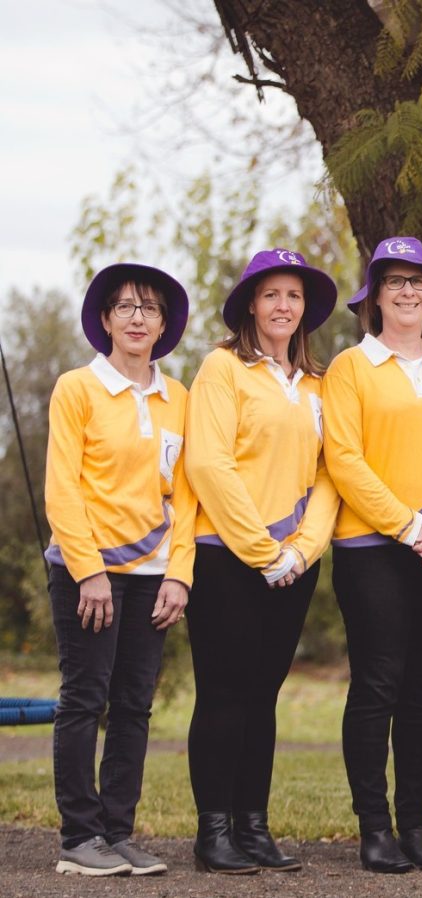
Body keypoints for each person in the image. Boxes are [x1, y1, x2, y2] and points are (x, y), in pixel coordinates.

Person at [323, 237, 422, 874]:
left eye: (420, 282)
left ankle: (417, 826)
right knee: (376, 686)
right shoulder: (349, 368)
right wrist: (409, 526)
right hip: (372, 549)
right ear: (375, 296)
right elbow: (344, 459)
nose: (409, 292)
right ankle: (375, 829)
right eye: (396, 282)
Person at [184, 248, 340, 874]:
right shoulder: (222, 369)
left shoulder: (316, 384)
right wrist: (262, 551)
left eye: (294, 296)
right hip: (227, 557)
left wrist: (302, 550)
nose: (283, 306)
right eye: (271, 294)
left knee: (263, 696)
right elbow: (208, 464)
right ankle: (213, 831)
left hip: (295, 565)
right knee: (224, 693)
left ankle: (253, 826)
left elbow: (330, 473)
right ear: (251, 303)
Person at [44, 263, 193, 876]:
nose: (138, 317)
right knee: (85, 699)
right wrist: (89, 571)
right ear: (105, 320)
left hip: (155, 574)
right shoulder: (77, 388)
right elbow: (62, 489)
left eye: (150, 308)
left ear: (164, 325)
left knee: (133, 705)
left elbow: (189, 495)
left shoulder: (178, 397)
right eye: (125, 307)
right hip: (88, 572)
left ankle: (117, 833)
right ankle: (79, 839)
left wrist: (179, 574)